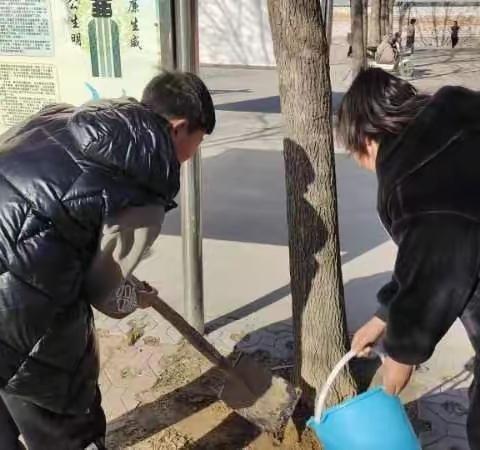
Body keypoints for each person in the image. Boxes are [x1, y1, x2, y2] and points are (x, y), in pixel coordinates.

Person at [0, 71, 215, 450]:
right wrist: (133, 297)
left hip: (14, 269)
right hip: (22, 313)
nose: (192, 155)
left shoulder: (63, 117)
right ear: (179, 129)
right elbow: (103, 292)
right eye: (197, 143)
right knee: (65, 422)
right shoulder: (144, 186)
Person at [337, 67, 480, 450]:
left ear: (366, 139)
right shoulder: (458, 125)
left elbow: (439, 264)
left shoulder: (413, 179)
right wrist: (384, 315)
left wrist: (400, 358)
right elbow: (427, 249)